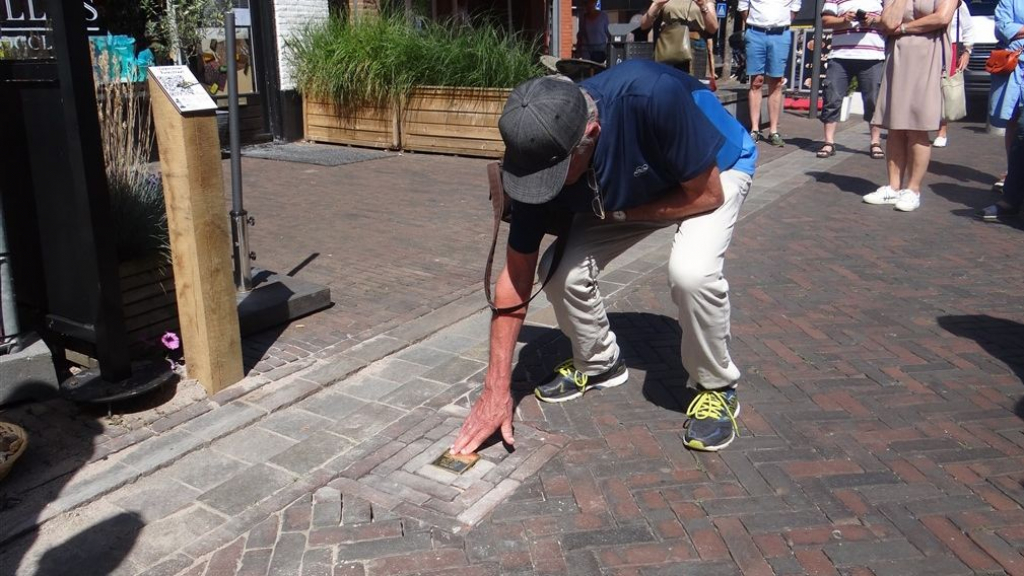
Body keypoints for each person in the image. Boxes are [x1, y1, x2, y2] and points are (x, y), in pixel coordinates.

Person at [450, 61, 758, 455]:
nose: (546, 189)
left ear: (591, 135)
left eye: (556, 176)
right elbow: (516, 275)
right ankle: (599, 363)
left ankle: (717, 385)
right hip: (626, 196)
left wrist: (624, 215)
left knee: (691, 272)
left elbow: (707, 196)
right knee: (558, 274)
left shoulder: (653, 96)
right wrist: (496, 390)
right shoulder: (538, 152)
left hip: (714, 170)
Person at [861, 0, 956, 212]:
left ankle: (913, 190)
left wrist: (904, 28)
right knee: (895, 126)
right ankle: (893, 187)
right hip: (898, 55)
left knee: (917, 127)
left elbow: (942, 17)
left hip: (928, 54)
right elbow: (888, 22)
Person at [816, 0, 886, 159]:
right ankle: (829, 142)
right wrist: (844, 19)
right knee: (831, 97)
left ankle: (875, 142)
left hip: (873, 56)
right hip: (840, 56)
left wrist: (872, 20)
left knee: (873, 100)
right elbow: (826, 20)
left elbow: (890, 21)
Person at [978, 0, 1024, 219]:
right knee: (1015, 123)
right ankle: (1012, 183)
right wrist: (1013, 31)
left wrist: (1018, 30)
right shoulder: (1010, 0)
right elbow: (1004, 27)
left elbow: (1013, 29)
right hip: (1015, 67)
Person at [739, 0, 801, 146]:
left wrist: (779, 24)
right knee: (756, 81)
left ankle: (773, 130)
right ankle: (754, 129)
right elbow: (743, 8)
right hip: (755, 33)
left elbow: (795, 8)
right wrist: (756, 24)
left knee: (776, 82)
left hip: (780, 34)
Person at [640, 0, 720, 75]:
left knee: (694, 84)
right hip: (670, 45)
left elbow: (713, 29)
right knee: (668, 82)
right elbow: (644, 25)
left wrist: (703, 6)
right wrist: (656, 5)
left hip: (695, 47)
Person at [934, 0, 974, 147]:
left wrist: (967, 51)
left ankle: (942, 130)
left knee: (944, 88)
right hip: (928, 45)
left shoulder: (958, 4)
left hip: (950, 48)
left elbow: (968, 28)